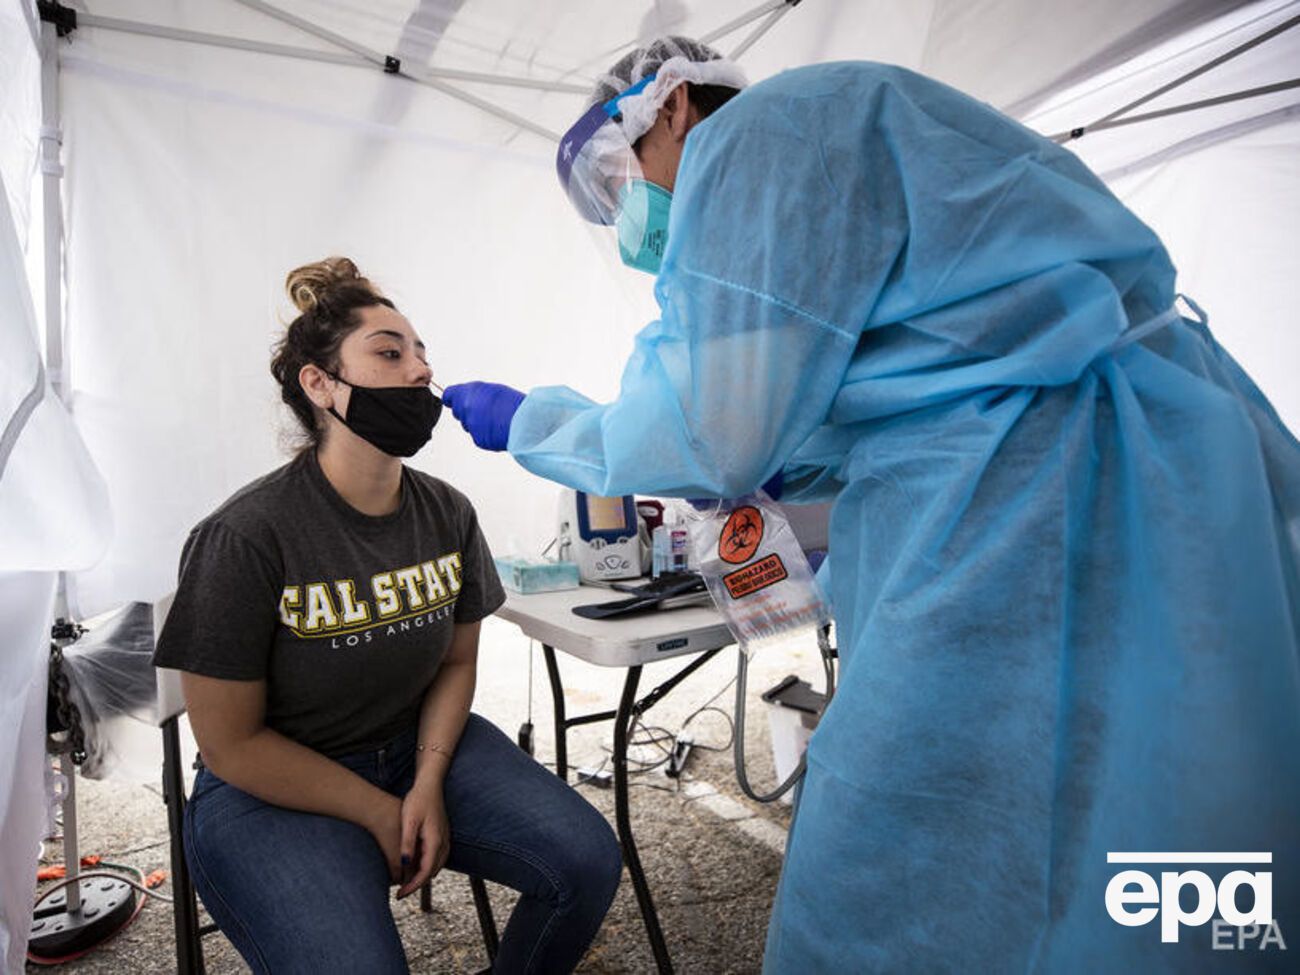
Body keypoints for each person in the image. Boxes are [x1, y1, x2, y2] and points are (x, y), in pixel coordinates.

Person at [442, 37, 1300, 972]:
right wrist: (794, 461)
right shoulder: (834, 130)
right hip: (1133, 451)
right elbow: (906, 358)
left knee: (906, 818)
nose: (628, 220)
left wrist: (536, 422)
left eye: (620, 180)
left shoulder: (754, 140)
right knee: (1137, 772)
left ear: (673, 103)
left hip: (1026, 483)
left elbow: (708, 427)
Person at [153, 258, 622, 974]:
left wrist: (425, 781)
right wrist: (379, 809)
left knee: (586, 861)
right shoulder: (245, 536)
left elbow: (457, 662)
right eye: (390, 353)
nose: (421, 371)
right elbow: (230, 744)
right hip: (272, 788)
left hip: (415, 747)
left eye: (421, 353)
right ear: (320, 385)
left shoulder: (447, 511)